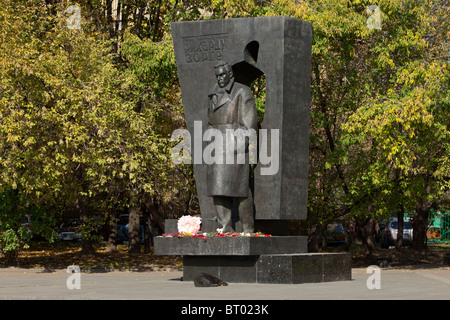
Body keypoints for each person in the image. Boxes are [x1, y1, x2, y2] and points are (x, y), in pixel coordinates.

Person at [206, 61, 258, 233]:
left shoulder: (242, 92)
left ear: (230, 74)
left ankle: (247, 228)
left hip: (234, 145)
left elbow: (249, 124)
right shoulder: (213, 93)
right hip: (216, 146)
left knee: (240, 189)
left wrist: (238, 146)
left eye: (222, 75)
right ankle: (224, 228)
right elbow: (210, 121)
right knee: (218, 189)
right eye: (217, 76)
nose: (219, 79)